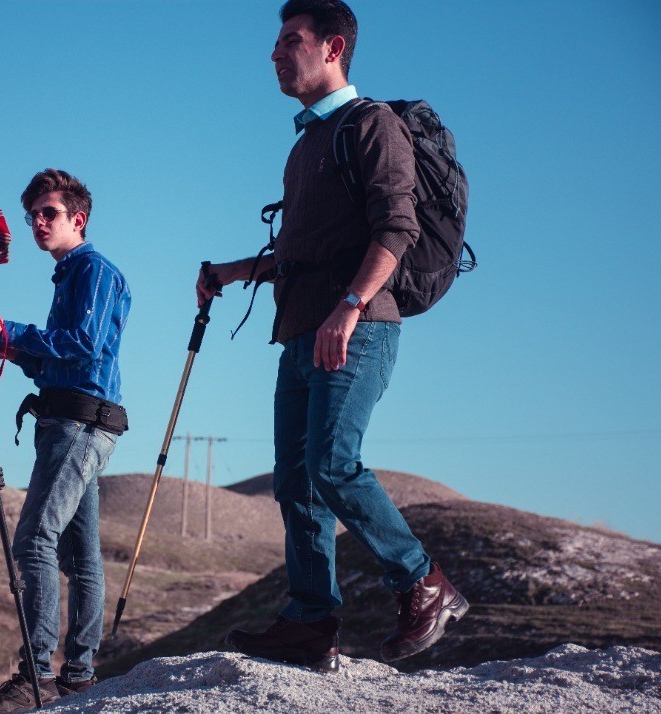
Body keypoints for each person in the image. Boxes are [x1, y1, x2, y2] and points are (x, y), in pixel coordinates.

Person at [197, 0, 467, 671]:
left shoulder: (368, 124)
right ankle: (310, 622)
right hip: (298, 333)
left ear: (333, 47)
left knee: (332, 464)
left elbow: (396, 229)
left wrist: (349, 305)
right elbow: (301, 250)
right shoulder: (305, 144)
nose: (275, 53)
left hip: (356, 328)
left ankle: (423, 583)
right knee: (295, 482)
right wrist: (231, 272)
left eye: (290, 40)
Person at [0, 168, 130, 712]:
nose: (36, 223)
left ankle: (36, 677)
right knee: (80, 554)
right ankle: (78, 676)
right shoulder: (68, 276)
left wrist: (11, 332)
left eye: (48, 213)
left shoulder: (95, 271)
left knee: (34, 538)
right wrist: (10, 347)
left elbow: (83, 344)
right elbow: (61, 359)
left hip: (81, 424)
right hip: (67, 419)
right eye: (32, 214)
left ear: (77, 219)